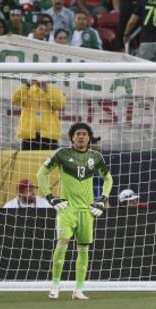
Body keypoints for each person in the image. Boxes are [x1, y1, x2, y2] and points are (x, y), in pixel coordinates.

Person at [36, 122, 113, 300]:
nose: (81, 136)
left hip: (87, 210)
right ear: (72, 137)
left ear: (89, 138)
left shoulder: (96, 157)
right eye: (77, 133)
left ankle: (78, 290)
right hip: (67, 210)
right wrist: (50, 197)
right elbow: (41, 174)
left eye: (84, 134)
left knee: (84, 250)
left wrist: (102, 199)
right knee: (62, 245)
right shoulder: (62, 154)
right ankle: (55, 286)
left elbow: (108, 179)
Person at [12, 78, 66, 150]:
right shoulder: (27, 90)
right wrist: (28, 85)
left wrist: (47, 91)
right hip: (29, 136)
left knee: (50, 160)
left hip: (49, 136)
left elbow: (60, 105)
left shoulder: (54, 91)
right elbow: (14, 100)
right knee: (28, 160)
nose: (40, 79)